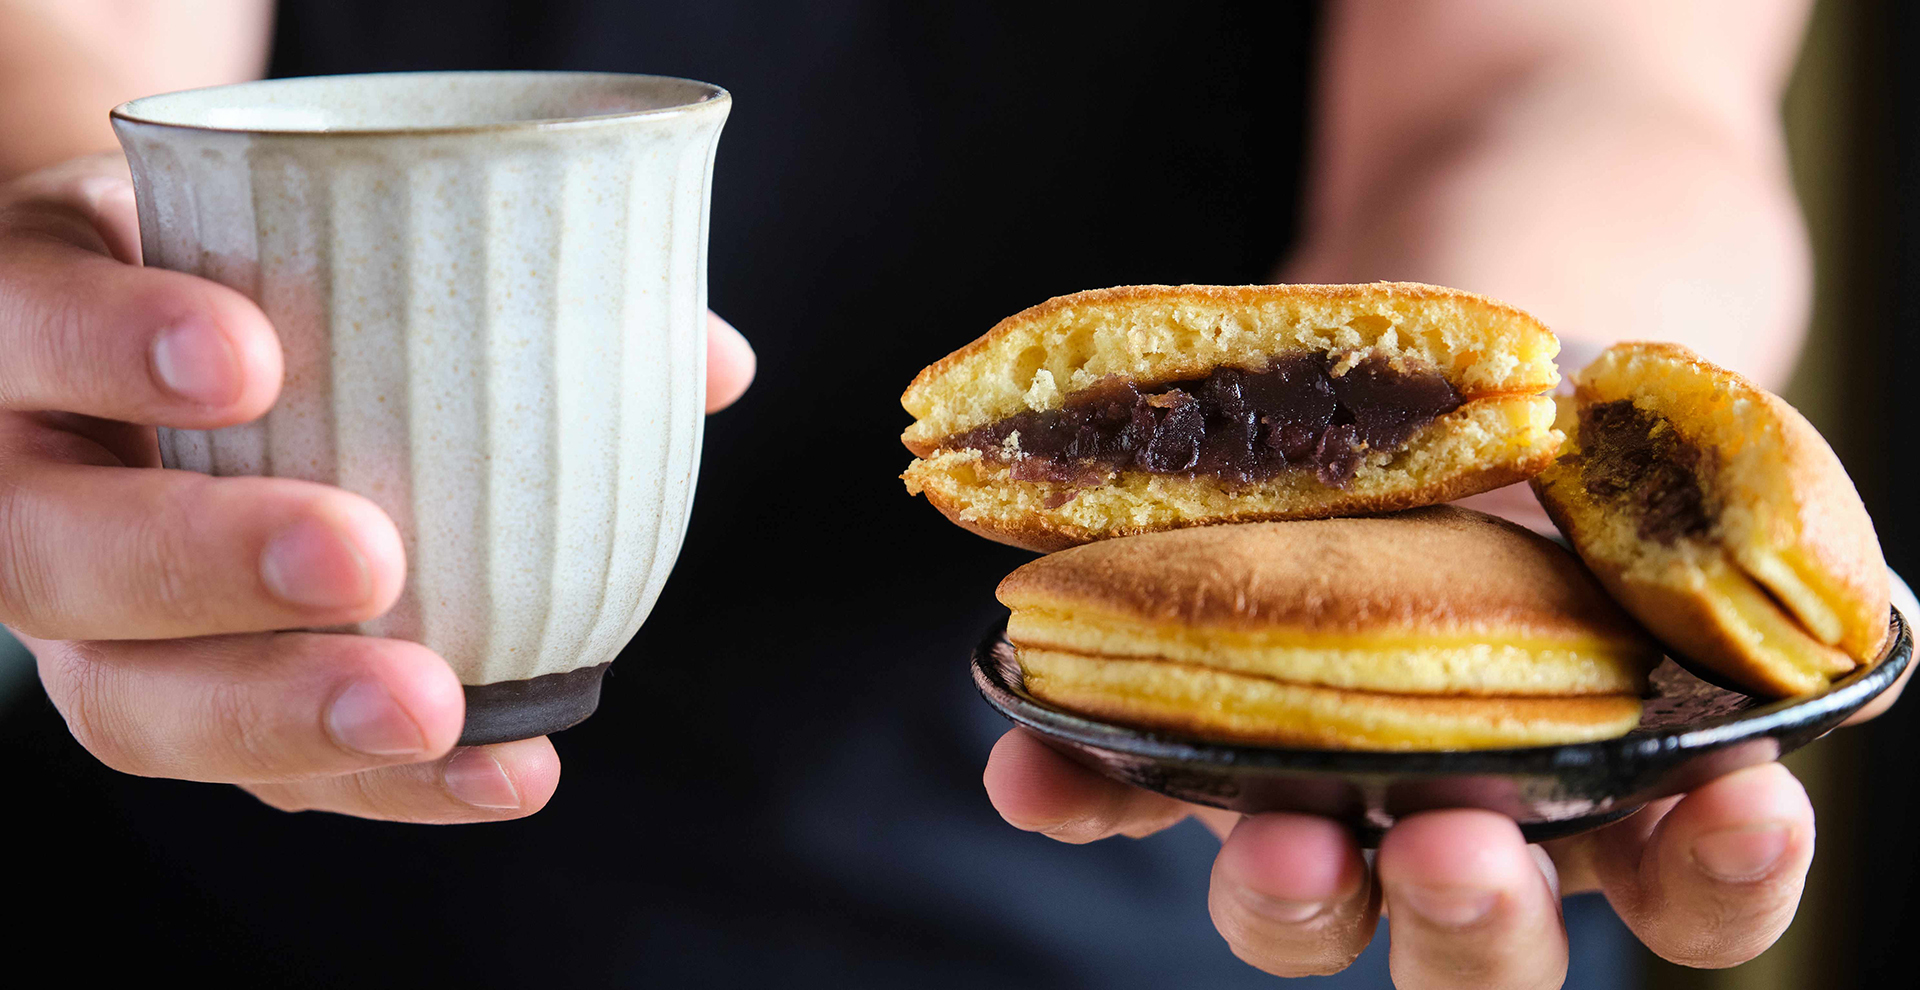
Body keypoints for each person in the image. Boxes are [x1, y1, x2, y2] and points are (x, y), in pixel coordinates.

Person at [1, 2, 1899, 987]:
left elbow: (1577, 67)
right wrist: (60, 266)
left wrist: (1498, 532)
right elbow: (89, 65)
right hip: (244, 902)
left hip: (1170, 886)